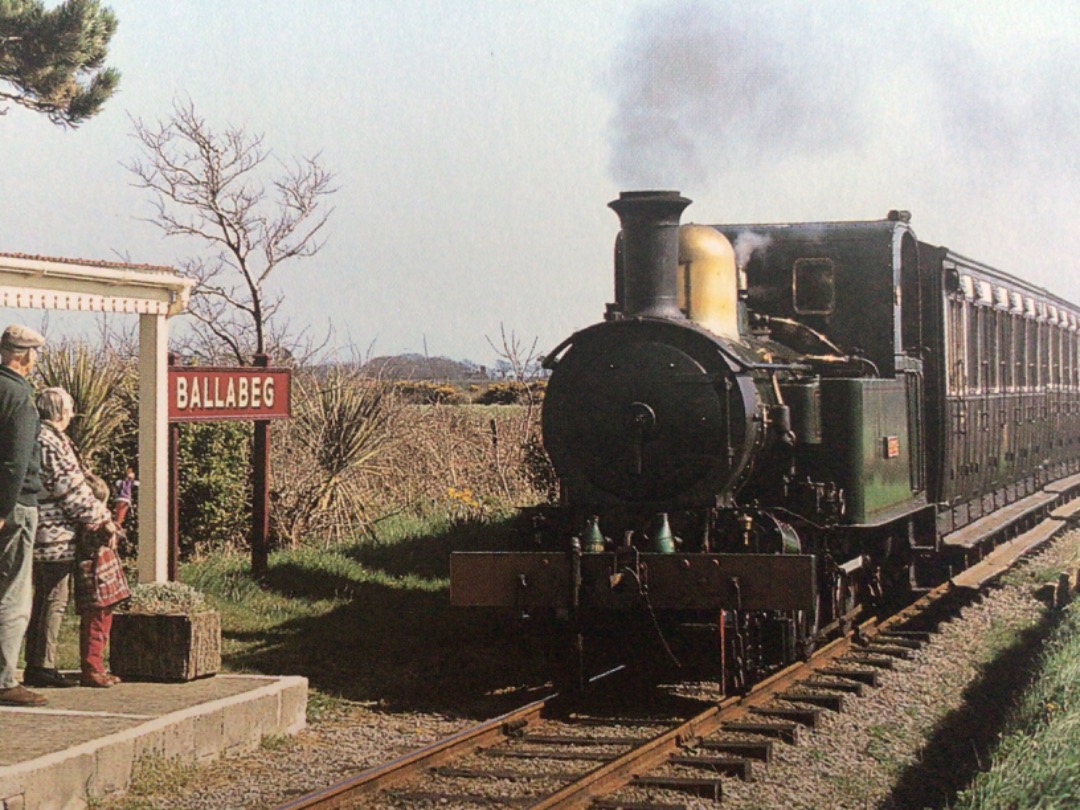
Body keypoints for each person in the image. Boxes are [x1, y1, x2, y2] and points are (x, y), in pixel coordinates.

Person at [24, 388, 111, 689]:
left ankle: (37, 662)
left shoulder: (37, 437)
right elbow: (70, 489)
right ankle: (42, 666)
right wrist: (100, 518)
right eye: (70, 408)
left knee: (41, 599)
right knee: (53, 599)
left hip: (41, 530)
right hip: (53, 534)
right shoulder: (52, 442)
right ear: (60, 411)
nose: (73, 414)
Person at [0, 324, 46, 706]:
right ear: (25, 355)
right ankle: (4, 678)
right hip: (15, 504)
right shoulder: (20, 396)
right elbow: (16, 460)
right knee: (15, 593)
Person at [75, 473, 128, 687]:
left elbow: (117, 532)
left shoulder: (100, 522)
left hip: (105, 582)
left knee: (103, 626)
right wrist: (108, 526)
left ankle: (99, 667)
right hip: (97, 582)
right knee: (95, 627)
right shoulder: (89, 526)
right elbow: (105, 534)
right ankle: (92, 668)